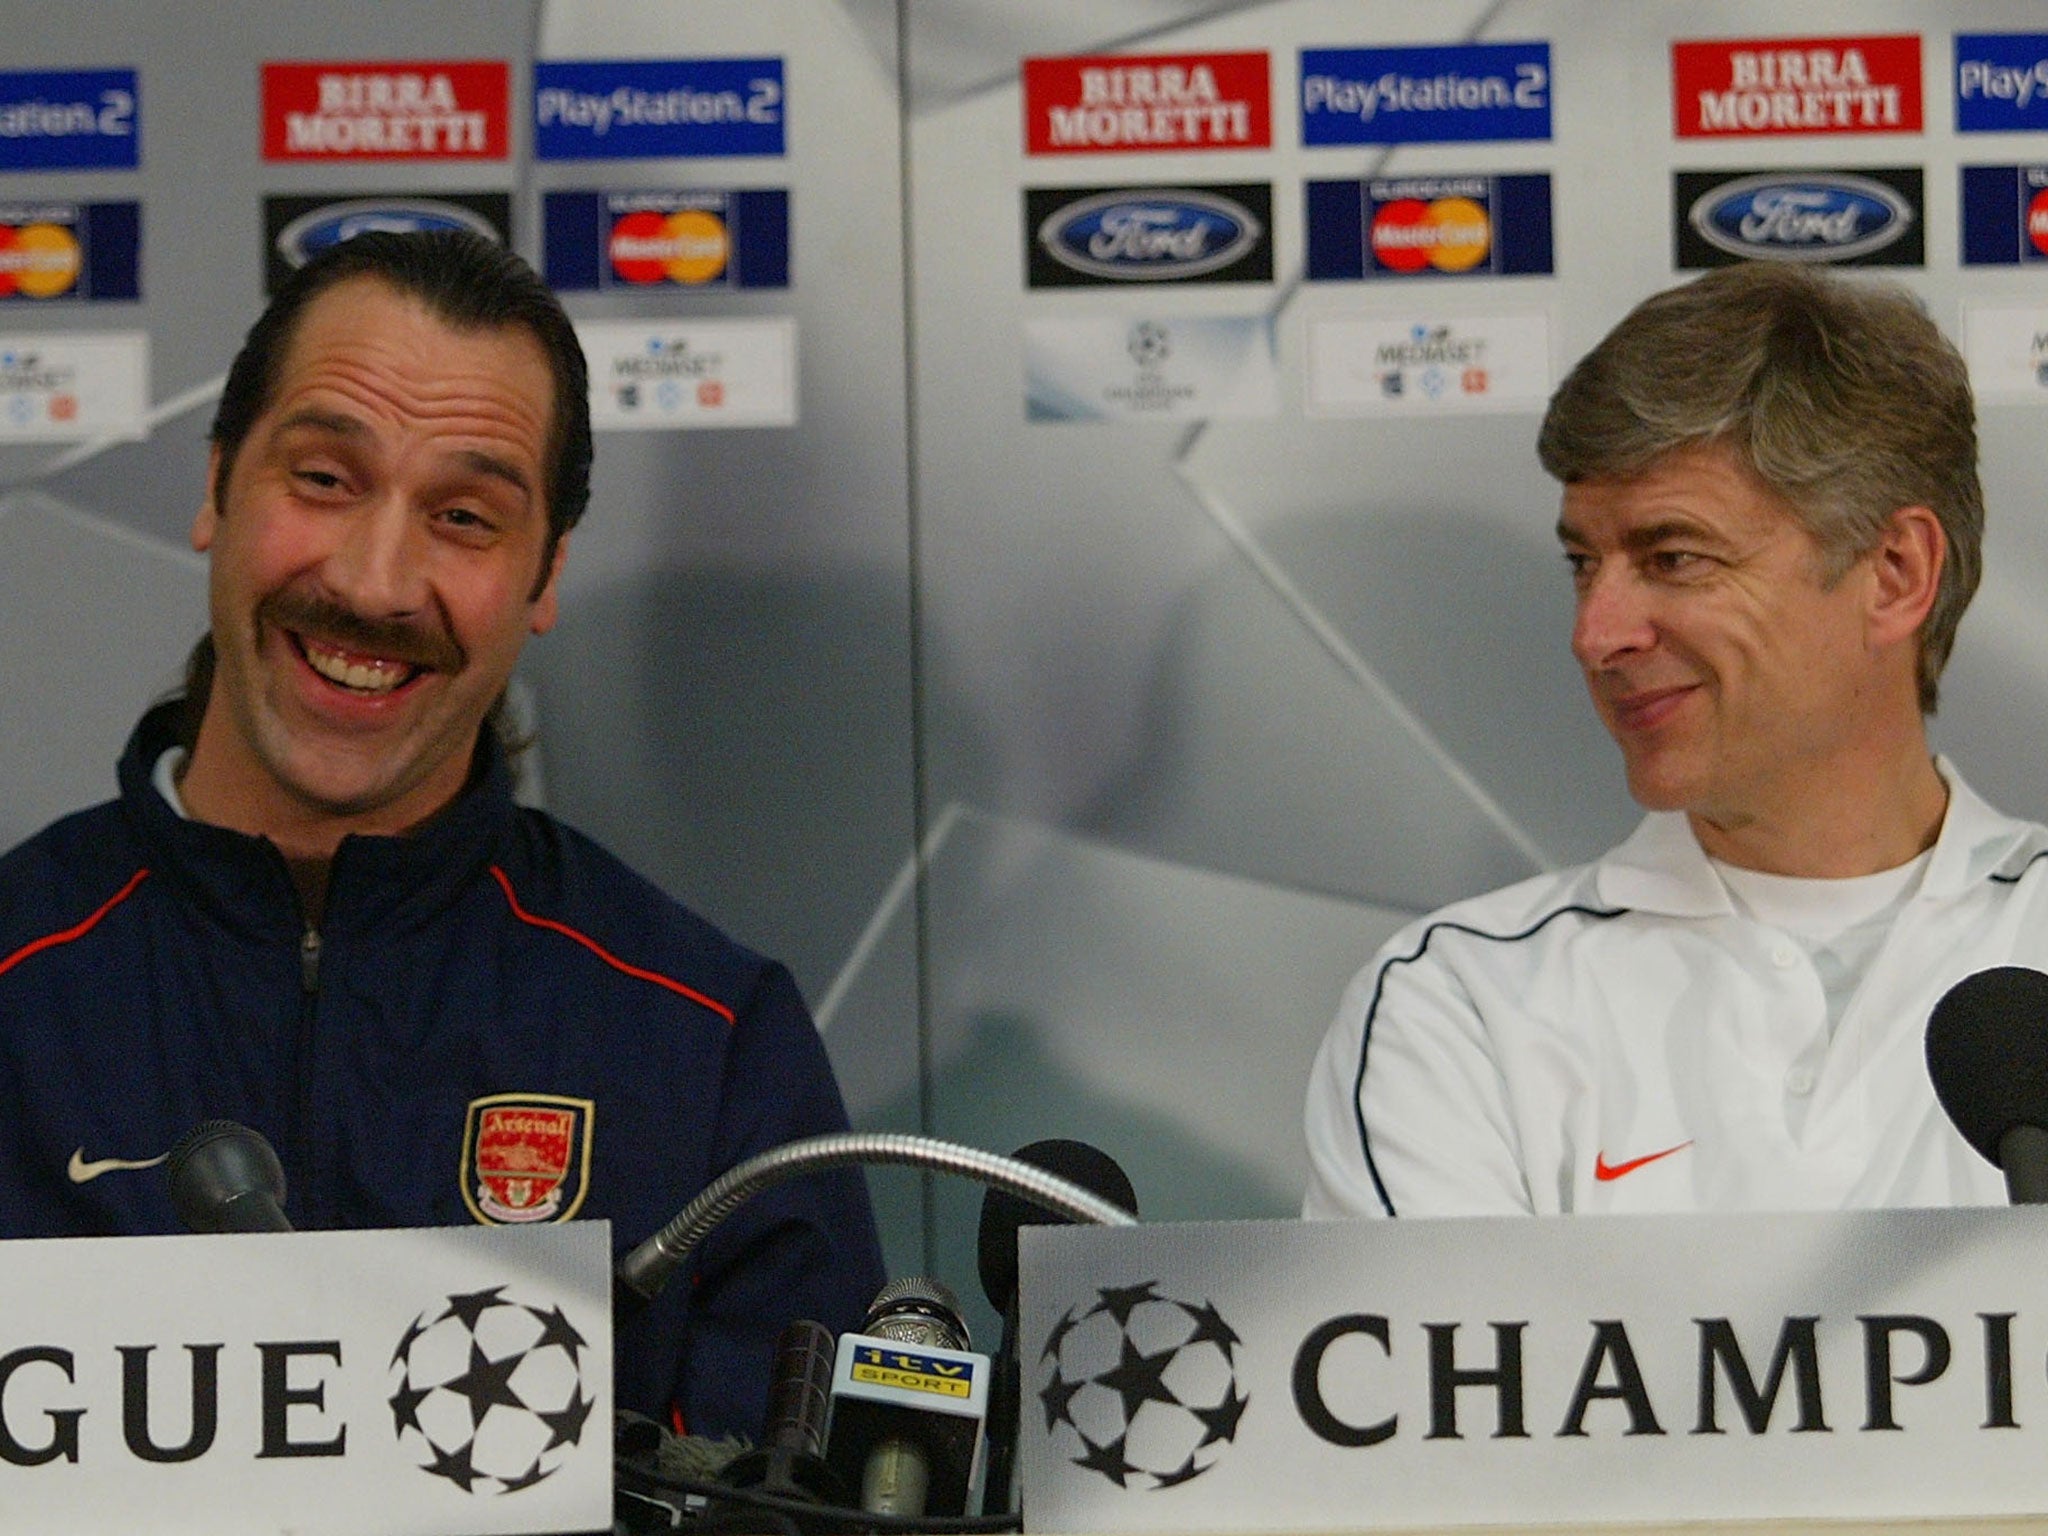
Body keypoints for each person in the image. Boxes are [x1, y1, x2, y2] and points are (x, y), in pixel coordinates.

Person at [0, 230, 884, 1438]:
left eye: (464, 516)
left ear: (543, 575)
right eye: (323, 479)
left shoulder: (711, 1047)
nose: (372, 581)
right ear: (214, 490)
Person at [1303, 259, 2045, 1219]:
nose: (1596, 634)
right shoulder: (1462, 1007)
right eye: (1583, 563)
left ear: (1896, 574)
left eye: (1674, 557)